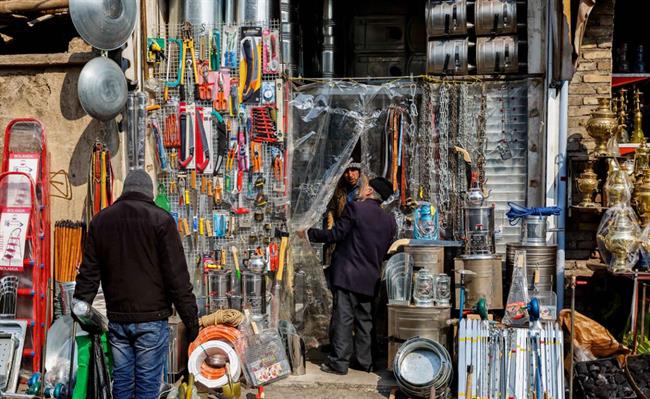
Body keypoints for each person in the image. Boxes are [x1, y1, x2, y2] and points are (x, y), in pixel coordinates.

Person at [74, 170, 199, 399]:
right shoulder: (161, 220)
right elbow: (177, 277)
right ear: (149, 194)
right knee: (147, 387)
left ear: (125, 191)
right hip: (152, 320)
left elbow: (88, 274)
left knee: (122, 384)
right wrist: (191, 321)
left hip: (118, 320)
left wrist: (80, 310)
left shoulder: (101, 221)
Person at [302, 177, 397, 375]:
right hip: (370, 277)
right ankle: (365, 362)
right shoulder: (389, 221)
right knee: (365, 321)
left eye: (363, 187)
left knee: (343, 319)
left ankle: (339, 362)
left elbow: (335, 235)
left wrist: (310, 234)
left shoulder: (356, 209)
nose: (360, 190)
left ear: (369, 191)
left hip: (348, 274)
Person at [322, 163, 367, 266]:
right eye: (346, 171)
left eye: (353, 170)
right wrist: (330, 230)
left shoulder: (365, 191)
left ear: (359, 172)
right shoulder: (338, 190)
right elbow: (331, 209)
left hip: (358, 238)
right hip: (341, 234)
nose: (350, 175)